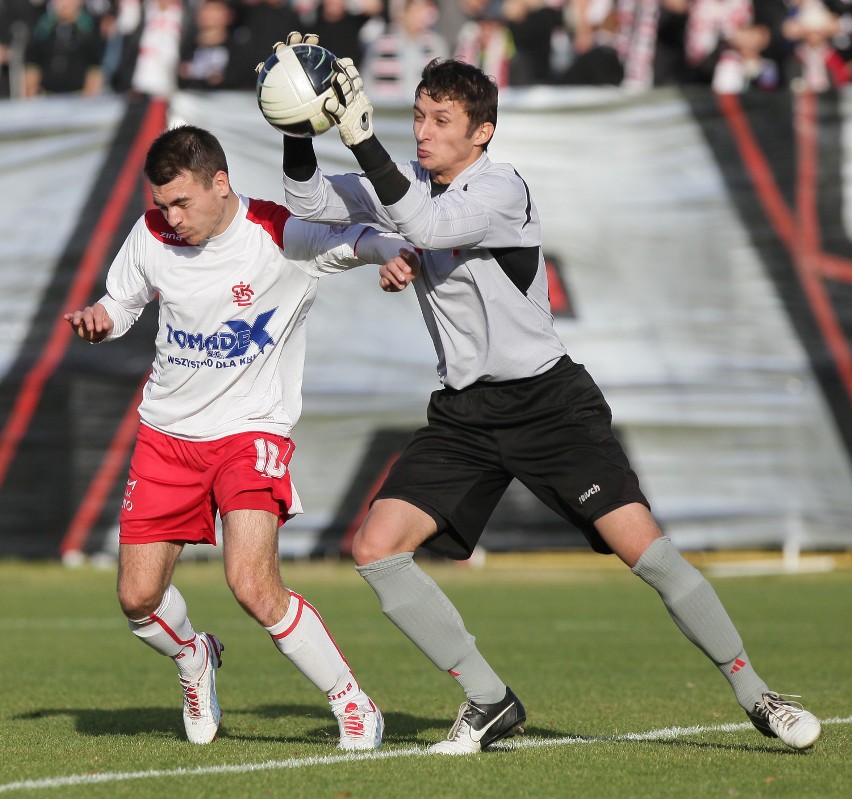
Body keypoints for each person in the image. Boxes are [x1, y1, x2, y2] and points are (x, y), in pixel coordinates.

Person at [268, 33, 823, 755]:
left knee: (647, 553)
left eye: (442, 120)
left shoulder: (500, 187)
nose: (425, 131)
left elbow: (428, 225)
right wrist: (299, 124)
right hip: (464, 411)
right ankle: (489, 699)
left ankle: (759, 694)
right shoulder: (404, 179)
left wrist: (362, 138)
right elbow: (305, 198)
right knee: (376, 547)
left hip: (547, 402)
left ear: (482, 132)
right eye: (420, 115)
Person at [64, 124, 419, 748]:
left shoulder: (279, 233)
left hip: (251, 430)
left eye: (183, 202)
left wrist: (392, 255)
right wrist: (102, 317)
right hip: (166, 435)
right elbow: (121, 302)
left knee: (252, 583)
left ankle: (352, 702)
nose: (172, 218)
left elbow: (358, 238)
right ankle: (194, 657)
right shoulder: (150, 234)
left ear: (220, 183)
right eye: (162, 204)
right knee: (137, 598)